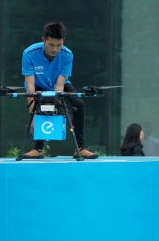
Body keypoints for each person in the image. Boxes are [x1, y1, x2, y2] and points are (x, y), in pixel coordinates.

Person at [21, 21, 98, 160]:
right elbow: (30, 86)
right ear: (43, 40)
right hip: (37, 86)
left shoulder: (67, 55)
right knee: (42, 106)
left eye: (59, 45)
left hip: (59, 84)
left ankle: (79, 148)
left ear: (63, 41)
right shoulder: (29, 53)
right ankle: (38, 149)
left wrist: (58, 102)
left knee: (78, 104)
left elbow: (60, 85)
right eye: (51, 45)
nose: (55, 49)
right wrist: (32, 117)